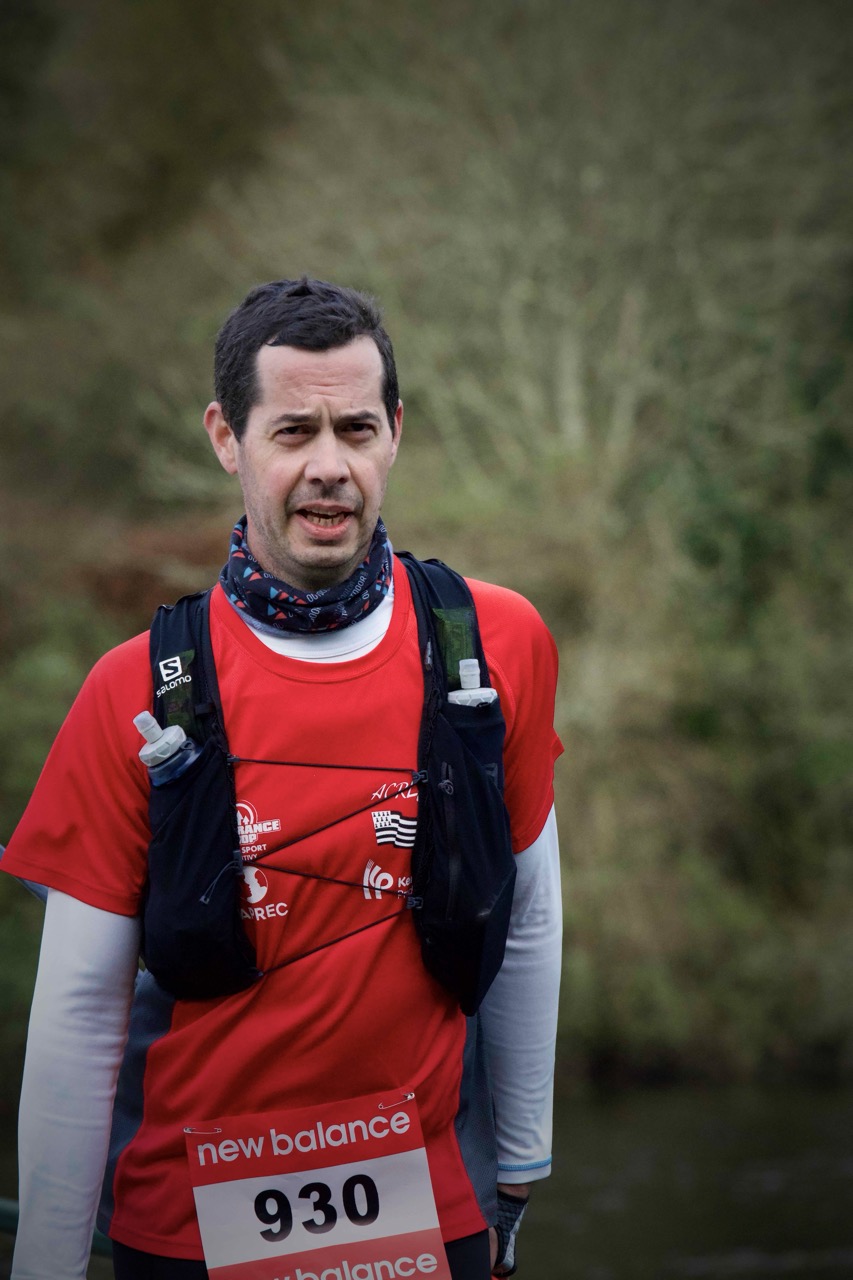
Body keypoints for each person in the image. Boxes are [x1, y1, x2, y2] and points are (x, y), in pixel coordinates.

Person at [2, 277, 563, 1280]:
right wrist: (46, 1261)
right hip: (187, 1230)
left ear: (394, 431)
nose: (329, 466)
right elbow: (81, 1010)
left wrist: (518, 1161)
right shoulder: (130, 688)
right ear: (228, 438)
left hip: (423, 1218)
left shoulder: (492, 644)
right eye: (293, 431)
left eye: (356, 428)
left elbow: (526, 914)